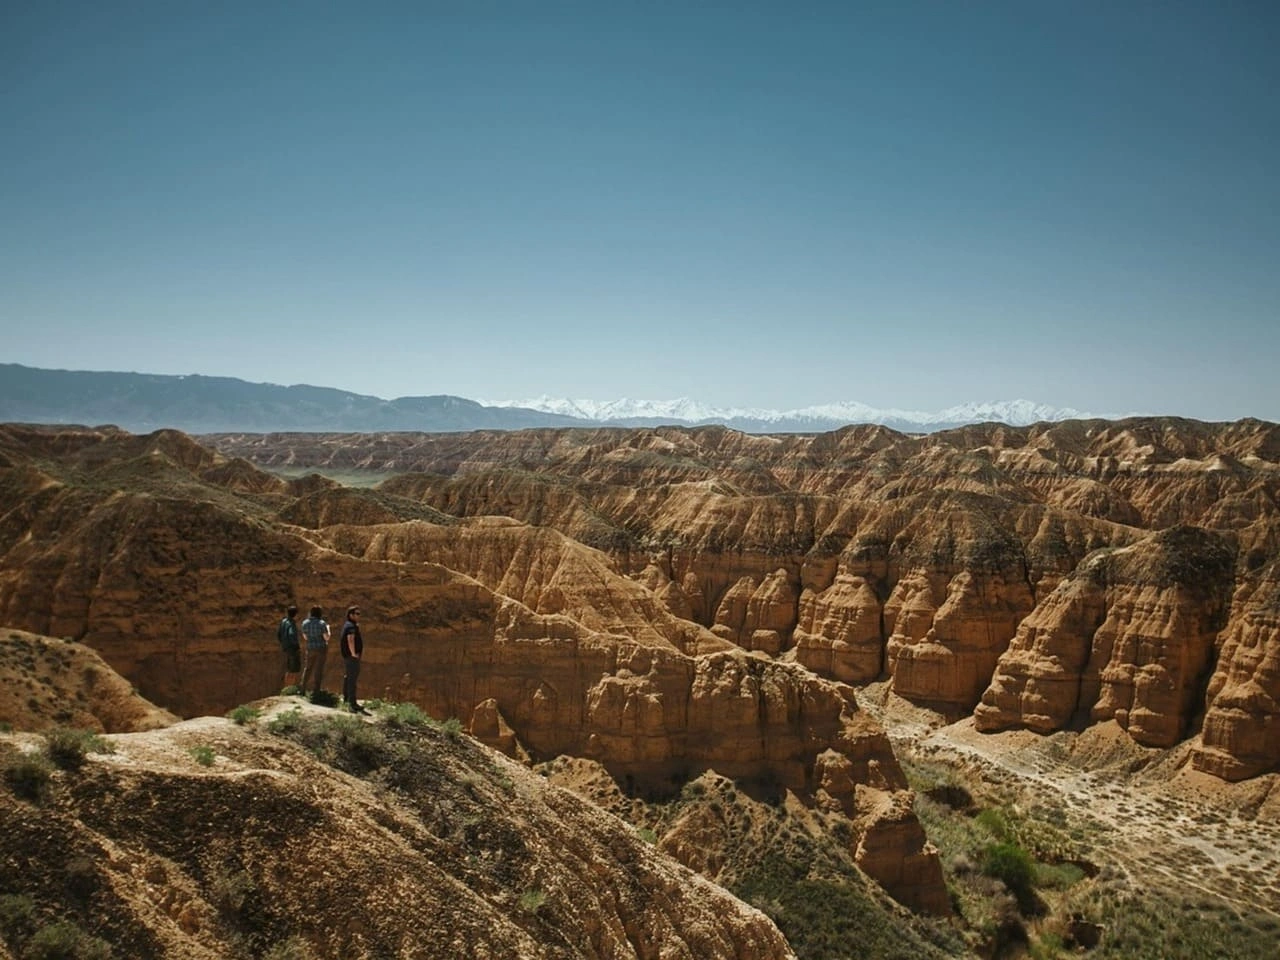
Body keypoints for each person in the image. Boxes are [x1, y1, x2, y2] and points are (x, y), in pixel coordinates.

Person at [340, 605, 367, 714]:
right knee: (352, 679)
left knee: (348, 677)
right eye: (357, 614)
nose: (359, 616)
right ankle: (352, 703)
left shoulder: (349, 625)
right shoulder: (351, 626)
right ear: (351, 615)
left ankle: (347, 699)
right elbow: (350, 639)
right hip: (351, 657)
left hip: (348, 656)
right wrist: (353, 653)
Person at [299, 605, 330, 698]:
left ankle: (302, 689)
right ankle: (316, 691)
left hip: (310, 648)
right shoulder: (322, 623)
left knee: (307, 668)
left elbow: (305, 637)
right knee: (318, 669)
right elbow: (326, 637)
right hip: (321, 648)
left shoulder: (305, 623)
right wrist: (328, 630)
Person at [277, 604, 301, 692]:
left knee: (289, 668)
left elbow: (278, 634)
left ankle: (286, 688)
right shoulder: (291, 623)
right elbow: (291, 634)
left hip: (286, 647)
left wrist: (284, 643)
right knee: (293, 669)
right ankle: (290, 689)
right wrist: (296, 646)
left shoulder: (283, 621)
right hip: (292, 648)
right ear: (295, 614)